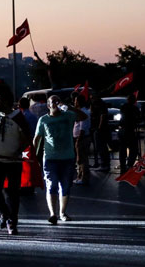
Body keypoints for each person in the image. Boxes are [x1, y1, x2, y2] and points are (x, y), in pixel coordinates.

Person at [0, 89, 32, 235]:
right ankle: (6, 214)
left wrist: (18, 150)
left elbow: (26, 137)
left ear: (6, 101)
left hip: (14, 162)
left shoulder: (18, 117)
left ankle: (12, 222)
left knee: (13, 193)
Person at [33, 94, 88, 224]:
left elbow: (84, 117)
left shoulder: (68, 115)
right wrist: (34, 157)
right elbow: (37, 138)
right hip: (50, 158)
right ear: (48, 105)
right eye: (53, 102)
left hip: (67, 157)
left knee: (65, 186)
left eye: (58, 101)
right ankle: (53, 213)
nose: (56, 103)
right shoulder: (43, 120)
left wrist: (71, 108)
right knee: (51, 185)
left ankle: (62, 212)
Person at [72, 94, 92, 185]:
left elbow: (82, 129)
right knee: (80, 159)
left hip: (82, 138)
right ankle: (80, 177)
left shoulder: (84, 113)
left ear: (79, 102)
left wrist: (78, 140)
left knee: (82, 159)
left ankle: (84, 178)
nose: (74, 102)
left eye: (75, 101)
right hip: (80, 138)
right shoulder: (80, 112)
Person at [118, 94, 141, 171]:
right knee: (133, 149)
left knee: (122, 149)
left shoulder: (123, 107)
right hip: (130, 130)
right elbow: (138, 118)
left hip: (123, 129)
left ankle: (122, 165)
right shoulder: (135, 108)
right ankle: (130, 164)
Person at [90, 95, 111, 171]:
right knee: (99, 147)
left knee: (101, 147)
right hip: (96, 128)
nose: (91, 99)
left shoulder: (100, 105)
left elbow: (102, 116)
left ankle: (104, 165)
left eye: (92, 98)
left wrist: (99, 127)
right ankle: (102, 163)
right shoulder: (94, 104)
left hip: (100, 129)